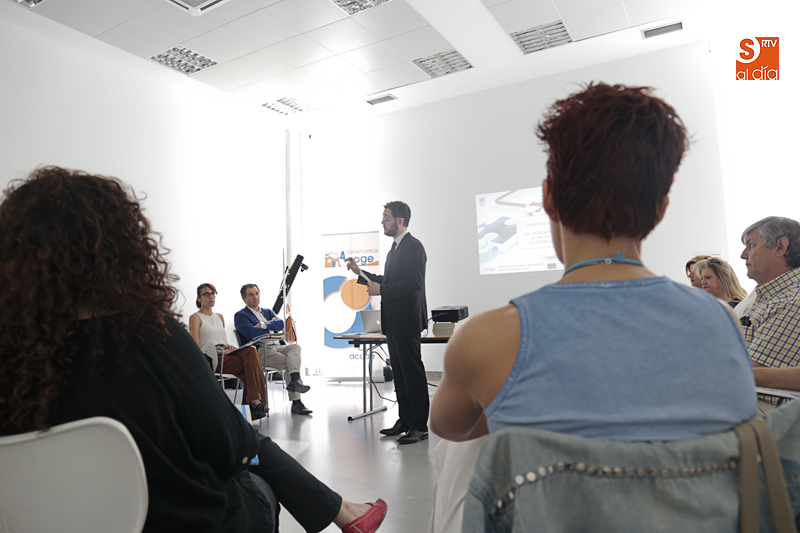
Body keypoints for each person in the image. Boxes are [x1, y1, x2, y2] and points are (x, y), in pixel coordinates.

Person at [0, 167, 387, 533]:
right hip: (188, 520)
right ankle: (341, 511)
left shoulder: (12, 355)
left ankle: (342, 509)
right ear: (121, 254)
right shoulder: (152, 337)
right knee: (248, 459)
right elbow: (228, 448)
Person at [430, 83, 757, 446]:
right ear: (660, 210)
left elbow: (448, 428)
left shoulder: (482, 338)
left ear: (548, 199)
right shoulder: (718, 322)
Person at [346, 201, 429, 445]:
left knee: (412, 375)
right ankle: (404, 421)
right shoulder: (394, 249)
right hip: (393, 322)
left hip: (407, 320)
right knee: (400, 376)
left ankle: (419, 426)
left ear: (400, 221)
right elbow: (388, 280)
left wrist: (381, 289)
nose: (382, 221)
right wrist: (360, 273)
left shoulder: (414, 247)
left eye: (386, 217)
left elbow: (413, 284)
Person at [739, 216, 800, 411]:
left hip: (765, 403)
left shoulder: (792, 300)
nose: (743, 254)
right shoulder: (766, 296)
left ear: (780, 247)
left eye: (751, 245)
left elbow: (751, 371)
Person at [189, 283, 268, 419]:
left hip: (225, 355)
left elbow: (221, 341)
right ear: (199, 298)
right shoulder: (195, 318)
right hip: (211, 360)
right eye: (206, 294)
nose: (211, 296)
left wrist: (228, 347)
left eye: (213, 293)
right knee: (254, 369)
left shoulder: (219, 317)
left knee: (251, 352)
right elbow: (195, 347)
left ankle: (250, 409)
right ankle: (254, 406)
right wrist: (219, 352)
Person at [234, 284, 312, 415]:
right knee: (290, 363)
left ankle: (295, 379)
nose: (255, 297)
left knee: (295, 347)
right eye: (251, 295)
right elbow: (250, 332)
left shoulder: (267, 312)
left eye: (257, 293)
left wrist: (263, 324)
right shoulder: (241, 316)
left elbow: (281, 324)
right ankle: (296, 401)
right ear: (244, 298)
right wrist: (271, 325)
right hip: (262, 350)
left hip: (278, 345)